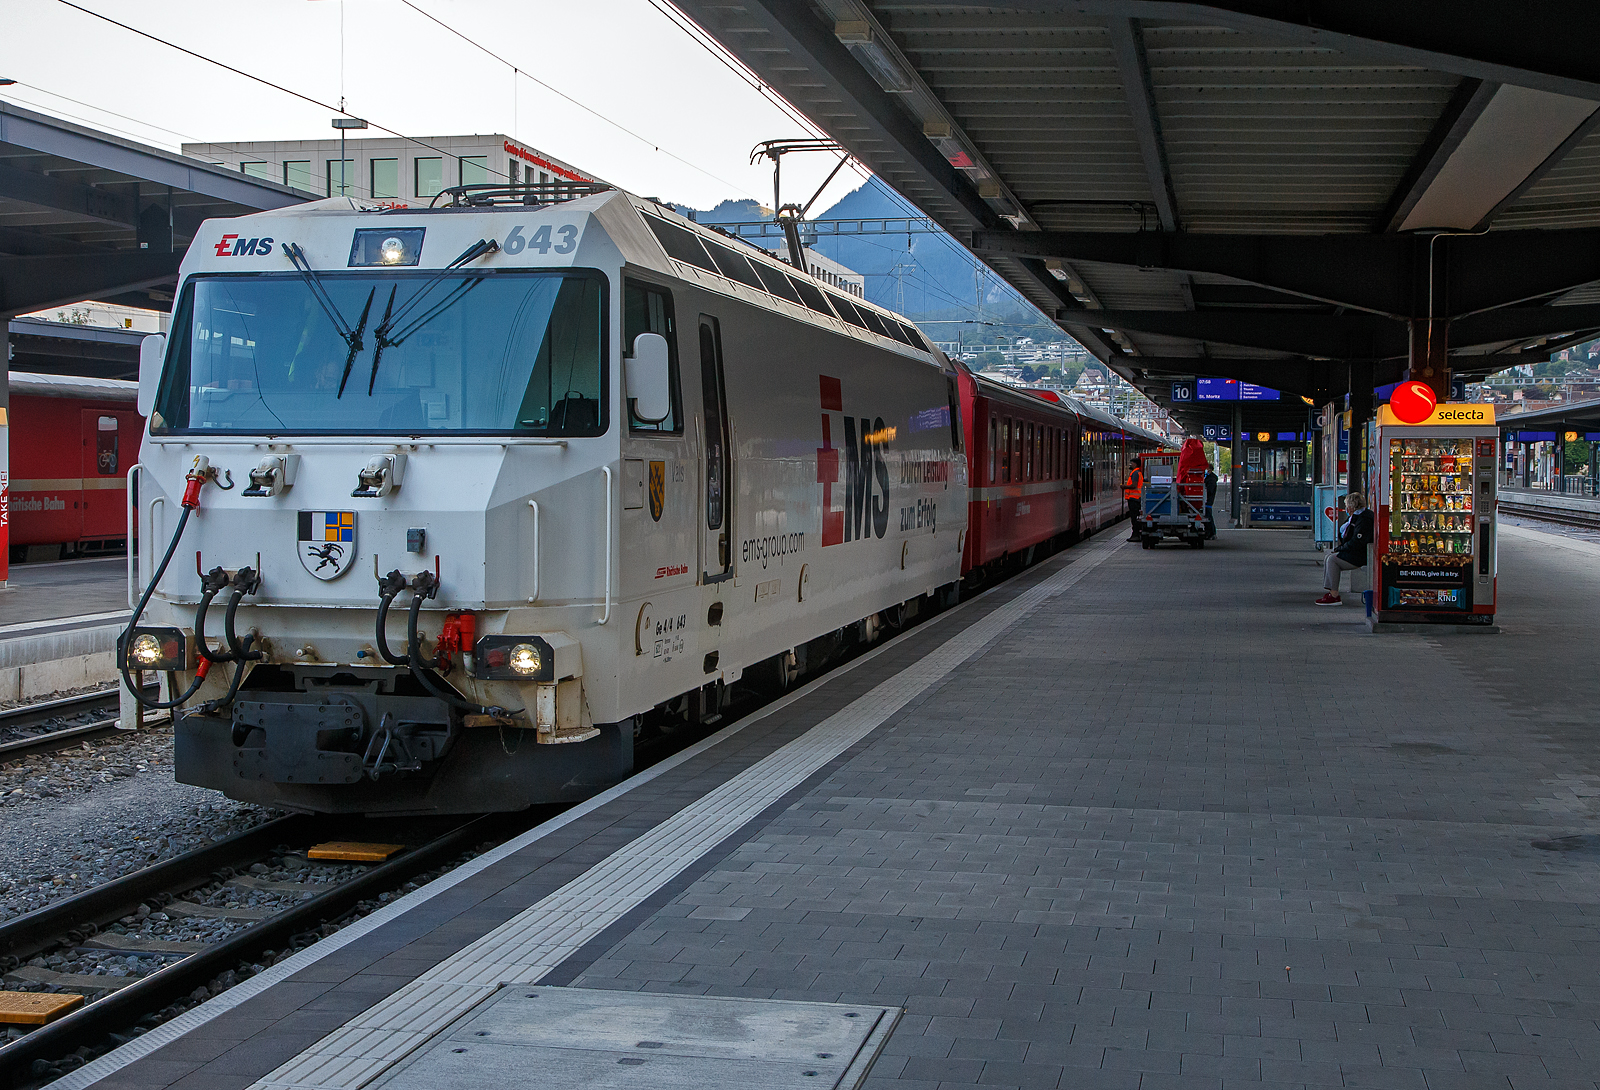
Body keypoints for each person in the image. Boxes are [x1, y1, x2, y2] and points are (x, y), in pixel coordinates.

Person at [1315, 492, 1373, 605]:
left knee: (1332, 560)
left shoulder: (1364, 519)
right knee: (1329, 557)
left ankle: (1334, 594)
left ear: (1351, 507)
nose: (1346, 508)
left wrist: (1341, 548)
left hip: (1360, 555)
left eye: (1346, 506)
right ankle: (1331, 591)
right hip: (1354, 551)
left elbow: (1357, 541)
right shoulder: (1355, 516)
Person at [1124, 456, 1144, 541]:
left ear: (1135, 464)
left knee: (1134, 517)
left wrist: (1124, 486)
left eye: (1131, 463)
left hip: (1134, 499)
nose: (1130, 465)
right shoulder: (1138, 472)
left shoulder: (1135, 473)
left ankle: (1135, 535)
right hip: (1136, 498)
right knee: (1136, 517)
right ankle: (1137, 534)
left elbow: (1134, 485)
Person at [1203, 466, 1218, 539]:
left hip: (1208, 500)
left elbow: (1209, 490)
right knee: (1207, 515)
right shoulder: (1210, 477)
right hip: (1208, 500)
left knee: (1208, 516)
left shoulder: (1211, 479)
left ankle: (1211, 532)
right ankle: (1209, 532)